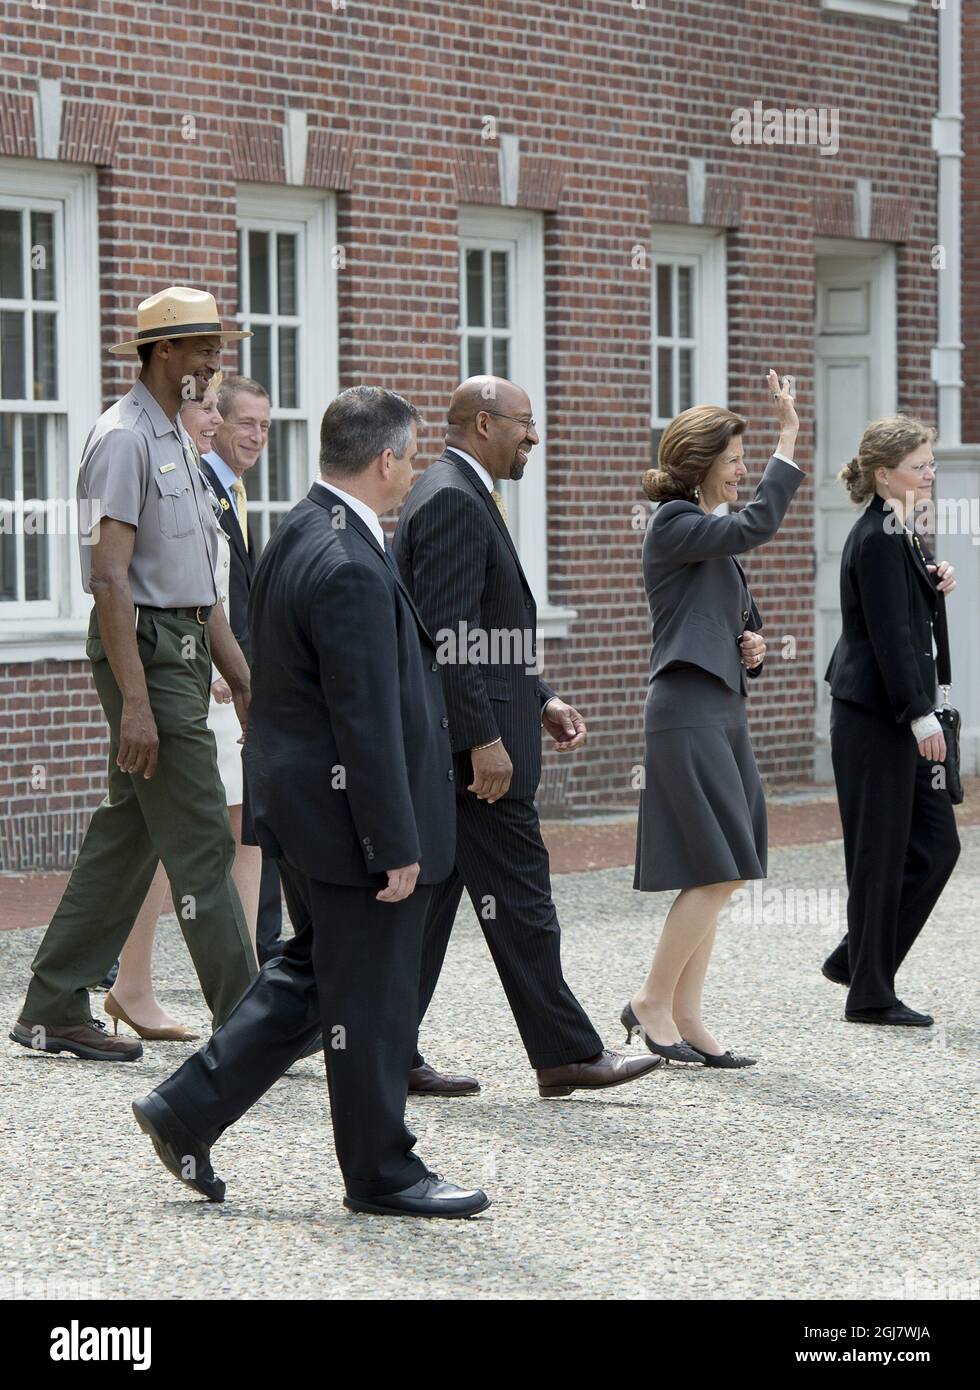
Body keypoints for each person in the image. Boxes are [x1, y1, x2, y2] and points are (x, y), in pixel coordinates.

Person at [133, 387, 490, 1219]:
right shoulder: (347, 563)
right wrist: (393, 842)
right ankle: (382, 1173)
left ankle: (184, 1108)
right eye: (410, 459)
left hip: (301, 808)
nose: (413, 475)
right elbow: (361, 717)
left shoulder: (301, 527)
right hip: (347, 821)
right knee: (368, 996)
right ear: (386, 460)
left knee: (315, 976)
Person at [392, 375, 662, 1099]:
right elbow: (448, 635)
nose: (533, 437)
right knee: (524, 904)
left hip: (467, 741)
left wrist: (538, 696)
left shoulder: (460, 490)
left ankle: (386, 1053)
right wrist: (484, 737)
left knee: (432, 906)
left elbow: (475, 628)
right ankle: (568, 1054)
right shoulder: (452, 497)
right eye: (525, 423)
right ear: (484, 424)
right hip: (474, 757)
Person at [9, 287, 258, 1062]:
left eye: (217, 348)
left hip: (180, 650)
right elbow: (110, 580)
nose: (214, 362)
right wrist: (138, 708)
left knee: (129, 838)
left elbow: (198, 587)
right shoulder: (121, 438)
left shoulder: (178, 439)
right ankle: (254, 1022)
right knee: (202, 842)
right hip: (144, 657)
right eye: (200, 348)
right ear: (159, 354)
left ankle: (52, 1002)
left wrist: (244, 679)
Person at [627, 371, 802, 1068]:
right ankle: (650, 1002)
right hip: (688, 710)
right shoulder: (675, 522)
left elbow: (728, 619)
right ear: (701, 464)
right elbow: (759, 523)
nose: (741, 472)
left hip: (721, 708)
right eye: (734, 461)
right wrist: (790, 436)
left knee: (724, 864)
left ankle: (686, 1014)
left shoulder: (707, 535)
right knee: (720, 868)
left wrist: (751, 648)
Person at [103, 372, 262, 1042]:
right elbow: (133, 581)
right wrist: (202, 668)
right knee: (179, 837)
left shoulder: (207, 481)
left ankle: (234, 989)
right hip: (193, 681)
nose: (215, 422)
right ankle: (136, 984)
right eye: (208, 410)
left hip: (219, 676)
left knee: (239, 829)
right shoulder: (155, 466)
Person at [822, 416, 960, 1026]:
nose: (930, 474)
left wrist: (934, 582)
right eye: (920, 466)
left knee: (936, 847)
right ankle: (870, 994)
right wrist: (919, 715)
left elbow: (905, 616)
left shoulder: (900, 532)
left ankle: (858, 958)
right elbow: (887, 639)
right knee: (878, 853)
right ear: (885, 474)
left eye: (931, 464)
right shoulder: (878, 536)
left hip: (896, 713)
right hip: (877, 718)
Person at [199, 377, 284, 964]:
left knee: (245, 828)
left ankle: (256, 954)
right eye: (245, 423)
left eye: (265, 426)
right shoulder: (204, 487)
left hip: (239, 682)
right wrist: (219, 667)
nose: (256, 437)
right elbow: (200, 595)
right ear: (216, 424)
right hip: (213, 687)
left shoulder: (233, 491)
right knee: (227, 830)